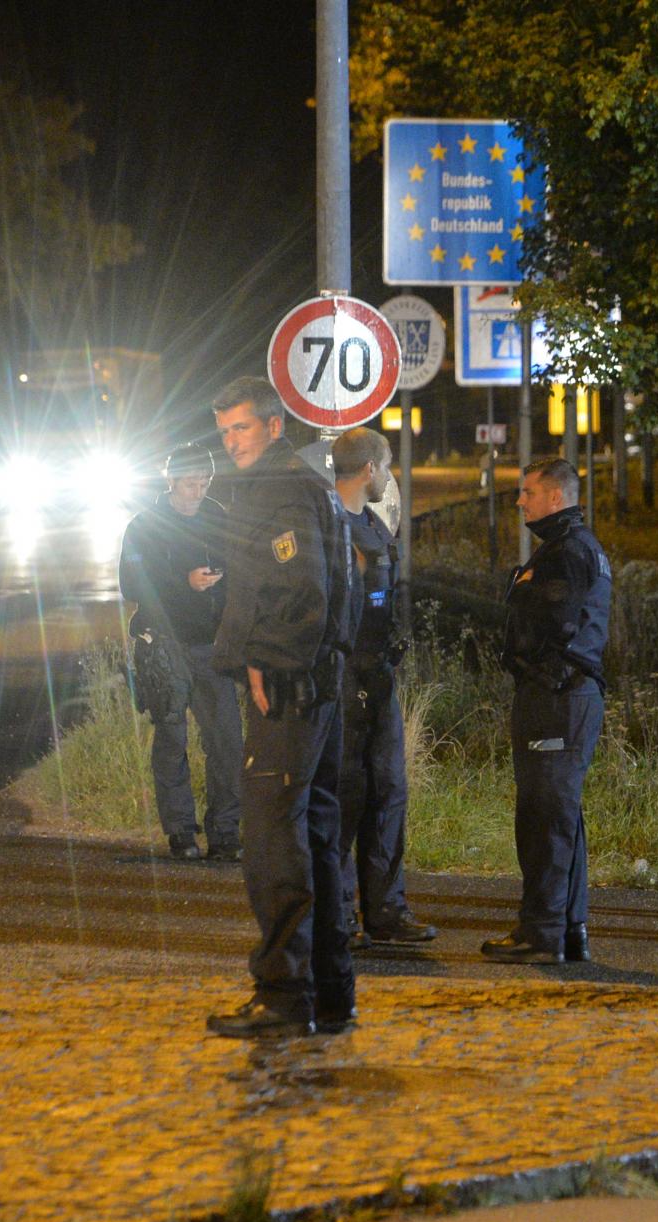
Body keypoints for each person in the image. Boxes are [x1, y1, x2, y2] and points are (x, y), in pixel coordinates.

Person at [204, 377, 355, 1039]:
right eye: (223, 431)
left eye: (239, 428)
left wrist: (265, 658)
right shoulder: (304, 479)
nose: (230, 442)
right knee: (315, 836)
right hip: (315, 686)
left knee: (271, 842)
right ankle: (329, 992)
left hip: (288, 689)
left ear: (270, 425)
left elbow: (300, 589)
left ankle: (285, 993)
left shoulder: (282, 486)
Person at [481, 458, 611, 965]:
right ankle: (566, 929)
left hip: (557, 695)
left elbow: (554, 621)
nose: (519, 502)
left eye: (527, 493)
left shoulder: (568, 553)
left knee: (544, 817)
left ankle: (542, 933)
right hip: (561, 694)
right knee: (558, 815)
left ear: (556, 497)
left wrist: (530, 658)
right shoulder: (569, 548)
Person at [332, 427, 434, 946]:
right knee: (345, 798)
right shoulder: (327, 527)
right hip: (345, 679)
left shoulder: (373, 526)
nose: (389, 475)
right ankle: (341, 915)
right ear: (369, 468)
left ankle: (386, 911)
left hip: (380, 676)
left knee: (388, 792)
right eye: (387, 465)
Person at [116, 441, 242, 861]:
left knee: (226, 741)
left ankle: (224, 833)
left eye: (205, 481)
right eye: (191, 483)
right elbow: (132, 585)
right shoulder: (145, 525)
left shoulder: (218, 518)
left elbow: (240, 574)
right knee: (172, 741)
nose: (199, 490)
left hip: (213, 646)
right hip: (165, 647)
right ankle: (181, 834)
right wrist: (183, 583)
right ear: (171, 480)